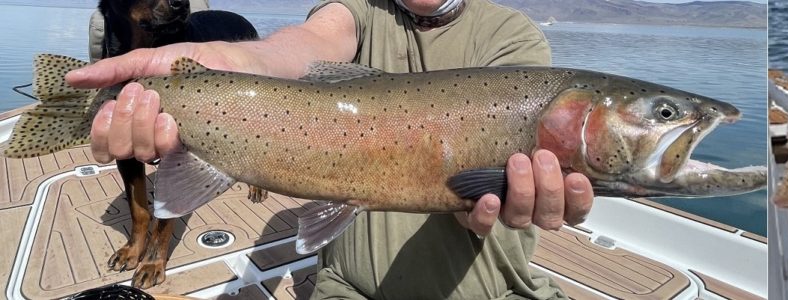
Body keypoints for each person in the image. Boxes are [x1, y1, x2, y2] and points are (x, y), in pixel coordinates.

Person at [69, 0, 591, 299]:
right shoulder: (358, 10)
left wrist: (484, 203)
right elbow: (303, 45)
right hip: (344, 289)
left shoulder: (510, 35)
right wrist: (238, 60)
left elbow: (480, 198)